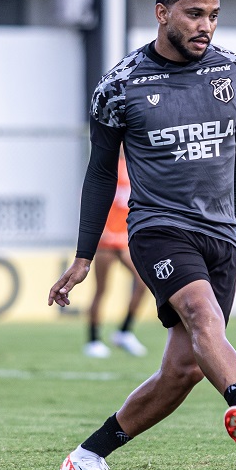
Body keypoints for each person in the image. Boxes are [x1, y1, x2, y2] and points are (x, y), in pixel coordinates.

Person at [48, 0, 236, 470]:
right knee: (201, 313)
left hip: (219, 232)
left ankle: (87, 457)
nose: (205, 26)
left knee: (184, 369)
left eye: (213, 15)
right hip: (158, 229)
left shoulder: (235, 73)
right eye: (194, 13)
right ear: (162, 12)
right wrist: (84, 256)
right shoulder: (120, 85)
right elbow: (99, 173)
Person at [83, 153, 150, 358]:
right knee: (102, 289)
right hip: (107, 240)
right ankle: (93, 340)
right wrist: (99, 229)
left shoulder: (136, 167)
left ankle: (124, 331)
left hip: (124, 239)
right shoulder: (108, 167)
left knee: (144, 281)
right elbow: (92, 198)